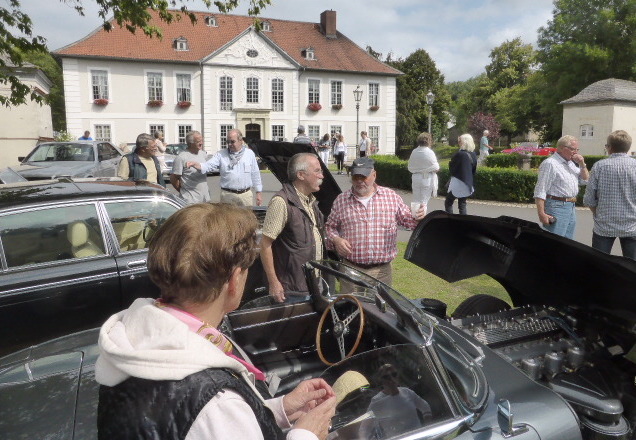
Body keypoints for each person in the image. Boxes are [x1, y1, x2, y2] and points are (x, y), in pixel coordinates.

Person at [95, 203, 337, 440]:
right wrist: (306, 434)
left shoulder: (136, 337)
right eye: (246, 270)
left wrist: (279, 409)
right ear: (234, 280)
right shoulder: (217, 402)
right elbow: (212, 417)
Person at [325, 157, 425, 285]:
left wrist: (419, 218)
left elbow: (409, 222)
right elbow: (330, 227)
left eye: (364, 176)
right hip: (351, 271)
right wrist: (336, 240)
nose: (360, 181)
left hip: (381, 273)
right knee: (352, 305)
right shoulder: (341, 200)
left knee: (380, 305)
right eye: (356, 177)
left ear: (374, 175)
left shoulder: (390, 197)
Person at [260, 153, 325, 302]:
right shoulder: (281, 202)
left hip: (314, 284)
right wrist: (274, 283)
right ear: (301, 175)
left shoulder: (311, 201)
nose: (322, 176)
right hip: (292, 290)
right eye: (317, 171)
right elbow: (265, 244)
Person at [583, 130, 636, 259]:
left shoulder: (599, 166)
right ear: (628, 147)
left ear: (610, 148)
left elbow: (589, 199)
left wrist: (598, 212)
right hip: (632, 225)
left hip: (604, 225)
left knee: (600, 266)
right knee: (632, 268)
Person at [188, 129, 263, 207]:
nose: (230, 144)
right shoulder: (221, 154)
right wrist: (197, 165)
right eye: (228, 142)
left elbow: (255, 173)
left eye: (232, 141)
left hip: (245, 195)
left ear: (241, 141)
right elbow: (208, 166)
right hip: (227, 195)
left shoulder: (249, 154)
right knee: (226, 219)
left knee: (246, 219)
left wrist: (258, 193)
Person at [534, 135, 589, 239]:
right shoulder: (550, 164)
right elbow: (540, 190)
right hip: (556, 206)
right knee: (555, 243)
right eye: (573, 149)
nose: (576, 152)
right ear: (562, 148)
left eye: (577, 149)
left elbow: (585, 180)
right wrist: (541, 213)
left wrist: (582, 164)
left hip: (570, 206)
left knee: (568, 243)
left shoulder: (571, 163)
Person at [367, 364, 432, 438]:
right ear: (381, 380)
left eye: (394, 374)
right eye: (386, 377)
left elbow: (425, 406)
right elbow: (365, 428)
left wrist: (427, 428)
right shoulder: (376, 401)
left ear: (398, 375)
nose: (391, 379)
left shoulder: (407, 392)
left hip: (419, 437)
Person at [169, 131, 211, 204]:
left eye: (202, 140)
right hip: (190, 200)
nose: (201, 143)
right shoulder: (181, 157)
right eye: (198, 141)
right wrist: (184, 192)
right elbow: (174, 178)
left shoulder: (203, 154)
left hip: (205, 199)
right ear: (191, 143)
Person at [444, 134, 477, 215]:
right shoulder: (473, 154)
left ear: (464, 142)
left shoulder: (459, 154)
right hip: (467, 183)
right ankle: (463, 222)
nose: (458, 143)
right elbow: (474, 170)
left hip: (457, 182)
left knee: (448, 202)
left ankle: (450, 219)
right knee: (462, 204)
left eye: (459, 141)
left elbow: (452, 168)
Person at [408, 132, 439, 216]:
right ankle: (421, 220)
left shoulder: (414, 152)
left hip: (415, 177)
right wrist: (426, 170)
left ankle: (414, 217)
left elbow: (409, 167)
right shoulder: (429, 152)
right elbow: (436, 167)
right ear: (429, 141)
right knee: (424, 201)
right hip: (426, 178)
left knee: (416, 200)